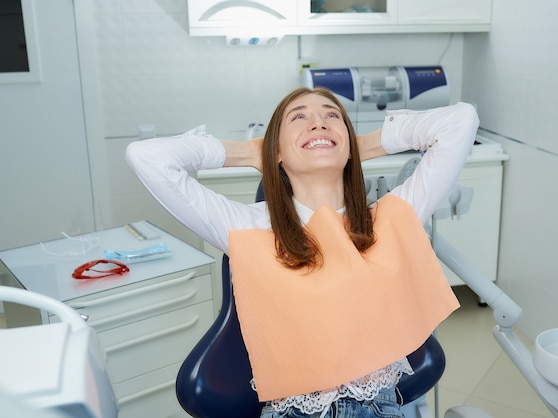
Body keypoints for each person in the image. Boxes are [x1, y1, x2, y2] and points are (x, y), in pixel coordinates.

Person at [126, 87, 479, 418]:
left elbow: (460, 120)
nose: (318, 121)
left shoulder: (390, 218)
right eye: (298, 117)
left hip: (380, 407)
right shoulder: (246, 226)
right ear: (275, 152)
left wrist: (361, 145)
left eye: (332, 116)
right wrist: (251, 151)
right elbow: (146, 157)